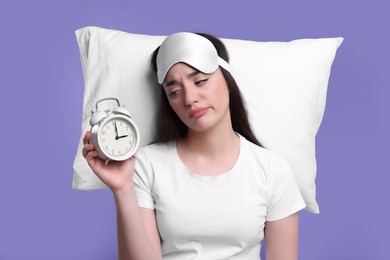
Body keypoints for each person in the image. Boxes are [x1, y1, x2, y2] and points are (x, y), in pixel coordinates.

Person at [83, 32, 306, 260]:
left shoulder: (272, 170)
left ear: (227, 80)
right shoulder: (145, 165)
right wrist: (123, 189)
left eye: (200, 81)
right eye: (175, 92)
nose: (189, 98)